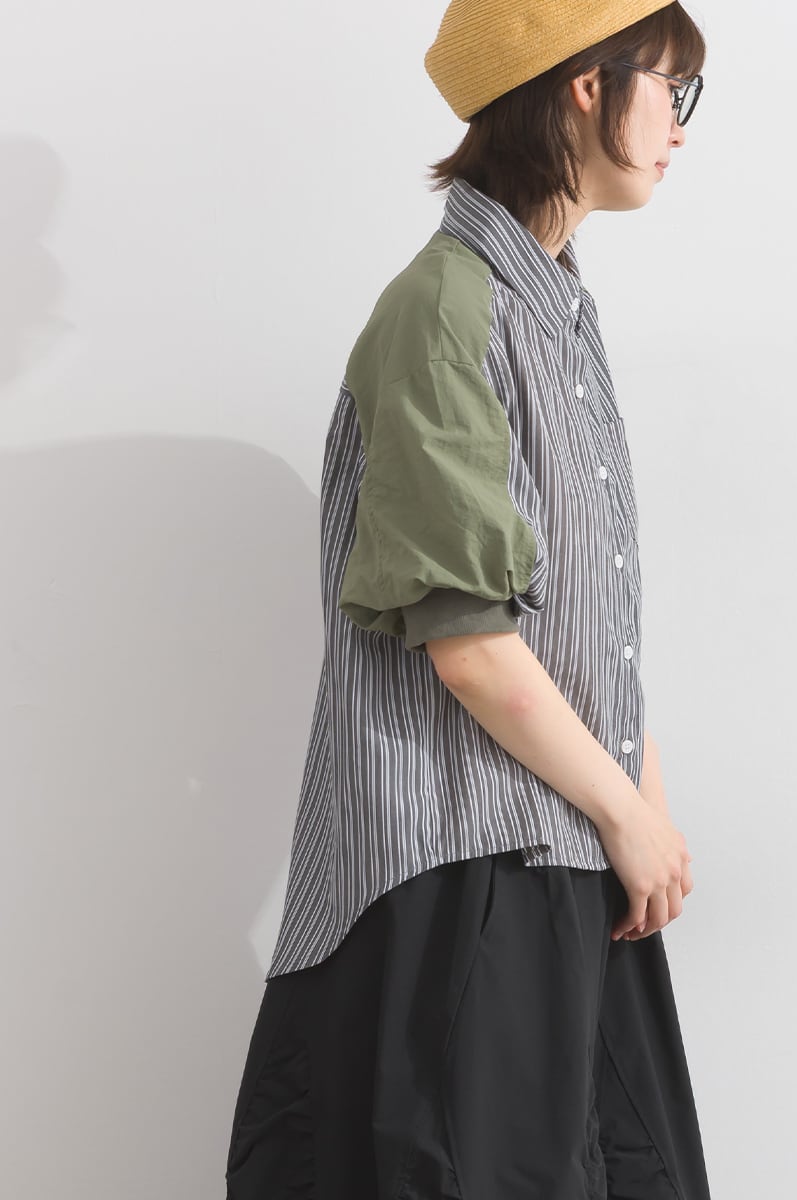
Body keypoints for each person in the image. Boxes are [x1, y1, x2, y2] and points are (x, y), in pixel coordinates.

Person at [224, 2, 712, 1197]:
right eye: (672, 90)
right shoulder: (450, 307)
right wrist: (629, 813)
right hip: (463, 872)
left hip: (563, 850)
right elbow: (470, 643)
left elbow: (577, 620)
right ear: (586, 87)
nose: (680, 128)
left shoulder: (556, 314)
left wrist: (640, 800)